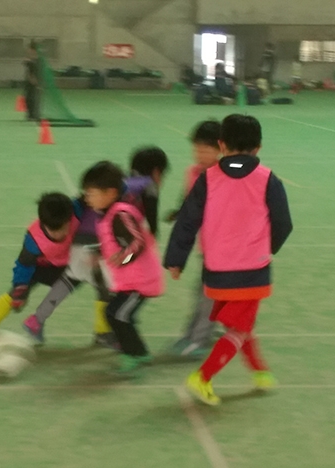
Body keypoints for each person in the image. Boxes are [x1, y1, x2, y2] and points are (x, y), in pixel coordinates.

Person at [164, 114, 293, 405]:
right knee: (239, 327)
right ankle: (203, 377)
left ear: (221, 145)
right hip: (251, 271)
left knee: (241, 325)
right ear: (258, 147)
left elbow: (186, 221)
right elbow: (283, 224)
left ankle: (260, 372)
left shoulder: (206, 179)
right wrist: (266, 247)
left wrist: (176, 259)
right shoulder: (268, 179)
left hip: (216, 270)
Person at [22, 147, 169, 347]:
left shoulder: (114, 182)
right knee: (108, 288)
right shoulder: (146, 185)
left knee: (71, 279)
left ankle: (37, 319)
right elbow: (148, 216)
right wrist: (152, 233)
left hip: (80, 239)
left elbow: (84, 201)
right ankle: (104, 333)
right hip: (97, 241)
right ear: (157, 172)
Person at [0, 193, 80, 349]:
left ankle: (101, 332)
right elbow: (24, 265)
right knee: (12, 295)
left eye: (65, 227)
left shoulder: (76, 211)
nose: (63, 234)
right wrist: (21, 287)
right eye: (55, 231)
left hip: (67, 266)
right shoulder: (34, 240)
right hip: (39, 268)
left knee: (84, 285)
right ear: (43, 224)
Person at [83, 161, 164, 373]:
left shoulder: (120, 214)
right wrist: (100, 253)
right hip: (129, 281)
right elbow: (113, 241)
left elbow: (138, 242)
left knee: (117, 314)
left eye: (91, 193)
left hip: (141, 281)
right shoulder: (109, 215)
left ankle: (134, 354)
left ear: (110, 193)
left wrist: (123, 259)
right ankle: (138, 351)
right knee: (117, 314)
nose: (87, 198)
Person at [166, 120, 221, 358]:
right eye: (196, 148)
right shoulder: (192, 172)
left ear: (221, 148)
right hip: (205, 245)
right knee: (204, 292)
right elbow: (188, 201)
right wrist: (178, 211)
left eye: (205, 149)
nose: (199, 153)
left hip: (223, 247)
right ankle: (200, 332)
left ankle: (199, 340)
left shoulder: (225, 175)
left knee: (208, 293)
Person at [24, 41, 41, 122]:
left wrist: (34, 79)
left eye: (30, 49)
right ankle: (30, 114)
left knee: (32, 97)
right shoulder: (31, 58)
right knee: (28, 98)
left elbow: (34, 70)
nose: (28, 51)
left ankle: (33, 114)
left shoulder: (37, 59)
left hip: (34, 80)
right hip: (29, 80)